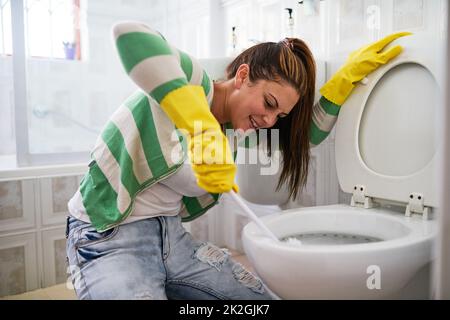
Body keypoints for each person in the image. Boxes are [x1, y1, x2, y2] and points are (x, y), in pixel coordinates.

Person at [65, 21, 410, 300]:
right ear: (242, 76)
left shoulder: (237, 128)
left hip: (172, 238)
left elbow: (306, 137)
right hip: (109, 234)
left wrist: (342, 82)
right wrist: (200, 127)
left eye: (280, 115)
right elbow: (130, 35)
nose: (271, 120)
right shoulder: (195, 82)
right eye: (270, 103)